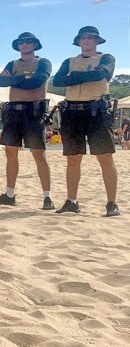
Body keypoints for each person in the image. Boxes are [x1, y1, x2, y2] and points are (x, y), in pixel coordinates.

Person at [52, 26, 120, 216]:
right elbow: (57, 81)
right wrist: (82, 78)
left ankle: (112, 203)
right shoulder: (69, 61)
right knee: (73, 159)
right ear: (79, 41)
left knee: (105, 157)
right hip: (72, 112)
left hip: (96, 111)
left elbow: (100, 74)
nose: (87, 41)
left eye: (91, 38)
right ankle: (72, 201)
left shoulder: (107, 58)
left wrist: (73, 78)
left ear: (97, 41)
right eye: (83, 38)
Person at [0, 33, 53, 208]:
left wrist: (14, 80)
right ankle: (9, 194)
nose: (24, 45)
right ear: (18, 46)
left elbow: (37, 81)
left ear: (35, 45)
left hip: (34, 111)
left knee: (39, 154)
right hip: (13, 112)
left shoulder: (43, 62)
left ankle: (47, 197)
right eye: (21, 43)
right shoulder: (12, 64)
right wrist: (23, 78)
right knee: (10, 153)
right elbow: (0, 81)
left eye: (28, 42)